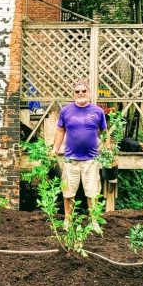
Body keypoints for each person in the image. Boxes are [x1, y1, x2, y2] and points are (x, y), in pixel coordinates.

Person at [51, 80, 108, 222]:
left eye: (84, 91)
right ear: (73, 94)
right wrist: (55, 148)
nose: (81, 93)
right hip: (71, 159)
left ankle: (94, 221)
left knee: (93, 192)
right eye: (77, 91)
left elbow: (104, 132)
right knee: (68, 192)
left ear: (89, 93)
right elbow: (60, 130)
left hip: (91, 159)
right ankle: (68, 221)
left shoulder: (98, 111)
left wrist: (108, 150)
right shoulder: (66, 111)